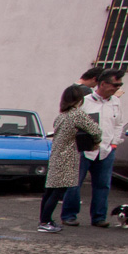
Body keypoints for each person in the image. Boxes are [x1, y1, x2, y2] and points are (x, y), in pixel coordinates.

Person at [39, 84, 102, 233]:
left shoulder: (61, 116)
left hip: (56, 155)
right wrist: (95, 142)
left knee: (49, 191)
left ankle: (44, 219)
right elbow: (95, 130)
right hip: (67, 156)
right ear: (80, 99)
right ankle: (45, 222)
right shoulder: (77, 114)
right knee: (57, 192)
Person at [65, 69, 124, 228]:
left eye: (120, 85)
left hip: (106, 149)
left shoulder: (115, 102)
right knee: (75, 184)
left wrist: (114, 143)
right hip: (84, 150)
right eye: (115, 84)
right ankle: (69, 215)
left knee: (103, 185)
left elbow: (118, 124)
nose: (117, 88)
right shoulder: (84, 101)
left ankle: (99, 217)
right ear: (103, 84)